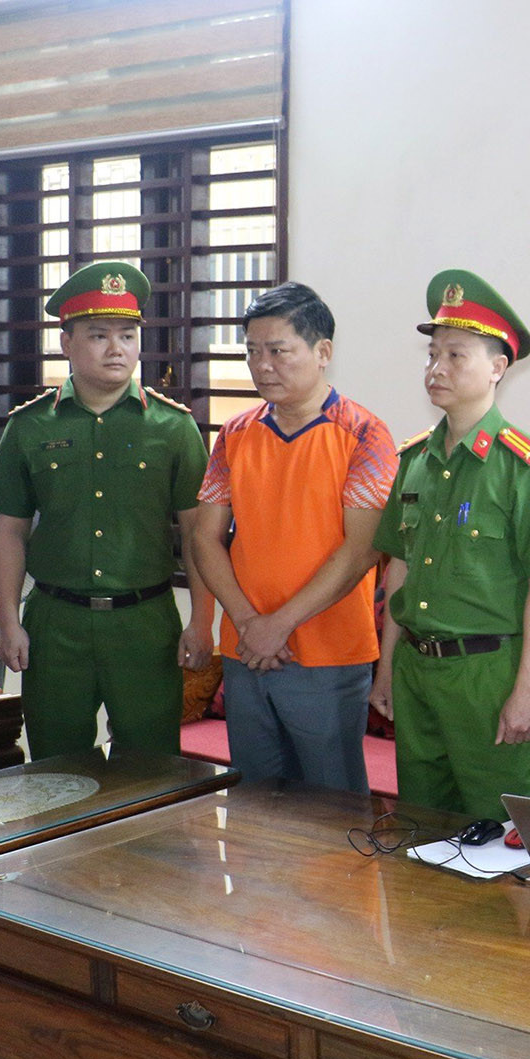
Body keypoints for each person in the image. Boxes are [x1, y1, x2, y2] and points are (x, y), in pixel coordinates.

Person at [0, 260, 214, 760]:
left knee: (152, 767)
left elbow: (199, 533)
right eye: (98, 335)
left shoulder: (174, 427)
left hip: (145, 623)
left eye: (128, 335)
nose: (117, 348)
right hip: (55, 623)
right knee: (56, 770)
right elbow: (8, 532)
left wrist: (201, 619)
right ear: (66, 343)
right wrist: (8, 620)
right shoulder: (29, 426)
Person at [368, 271, 530, 819]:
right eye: (432, 354)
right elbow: (399, 568)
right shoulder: (413, 461)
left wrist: (526, 691)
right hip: (417, 670)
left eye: (456, 356)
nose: (437, 368)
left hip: (488, 674)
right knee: (422, 825)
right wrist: (386, 668)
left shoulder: (526, 466)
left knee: (504, 831)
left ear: (497, 367)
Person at [188, 282, 397, 792]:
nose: (262, 366)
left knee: (331, 807)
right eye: (252, 352)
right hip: (245, 650)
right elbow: (205, 538)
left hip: (327, 655)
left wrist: (278, 625)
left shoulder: (364, 434)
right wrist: (248, 623)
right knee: (255, 802)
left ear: (322, 352)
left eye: (278, 351)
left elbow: (361, 550)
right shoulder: (235, 433)